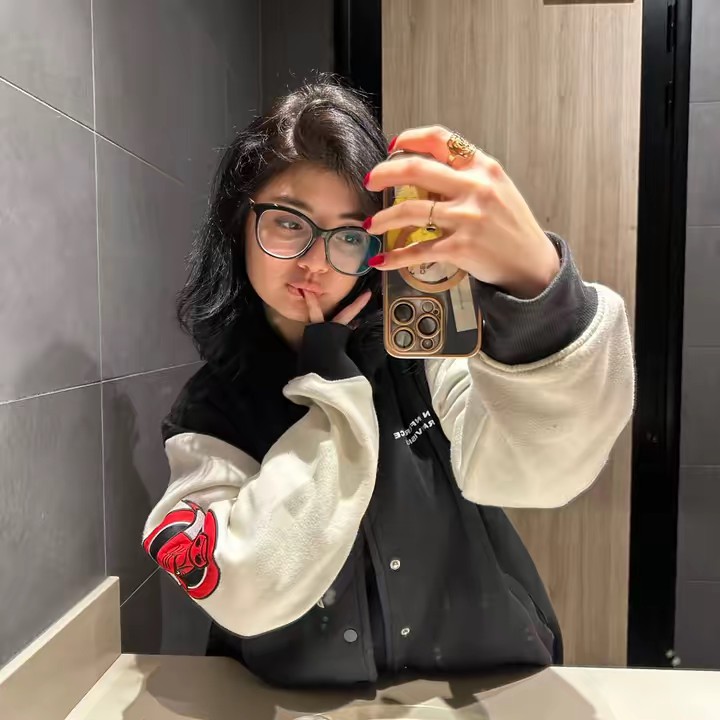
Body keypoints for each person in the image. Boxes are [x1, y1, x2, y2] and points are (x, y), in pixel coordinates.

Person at [142, 77, 634, 688]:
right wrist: (330, 383)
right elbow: (246, 586)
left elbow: (542, 470)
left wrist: (536, 287)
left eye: (350, 235)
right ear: (239, 222)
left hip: (481, 688)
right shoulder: (210, 411)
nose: (316, 262)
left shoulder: (422, 356)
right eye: (289, 224)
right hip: (297, 703)